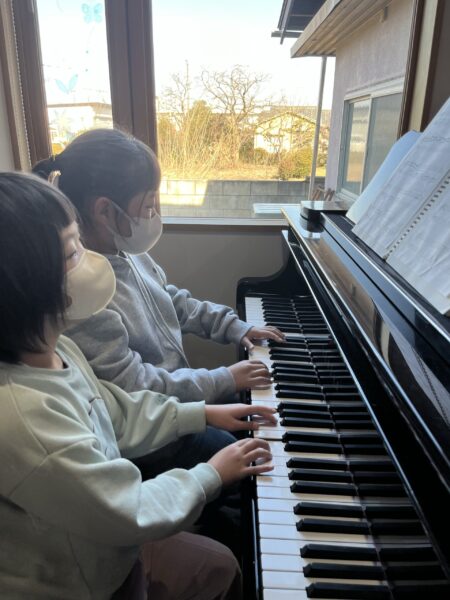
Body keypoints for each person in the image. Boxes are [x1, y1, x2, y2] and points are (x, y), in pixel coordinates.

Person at [0, 172, 276, 599]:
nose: (89, 259)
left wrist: (200, 413)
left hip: (107, 546)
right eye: (73, 251)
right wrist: (210, 475)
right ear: (24, 284)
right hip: (85, 582)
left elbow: (118, 412)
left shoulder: (59, 348)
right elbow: (126, 510)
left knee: (222, 567)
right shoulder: (23, 416)